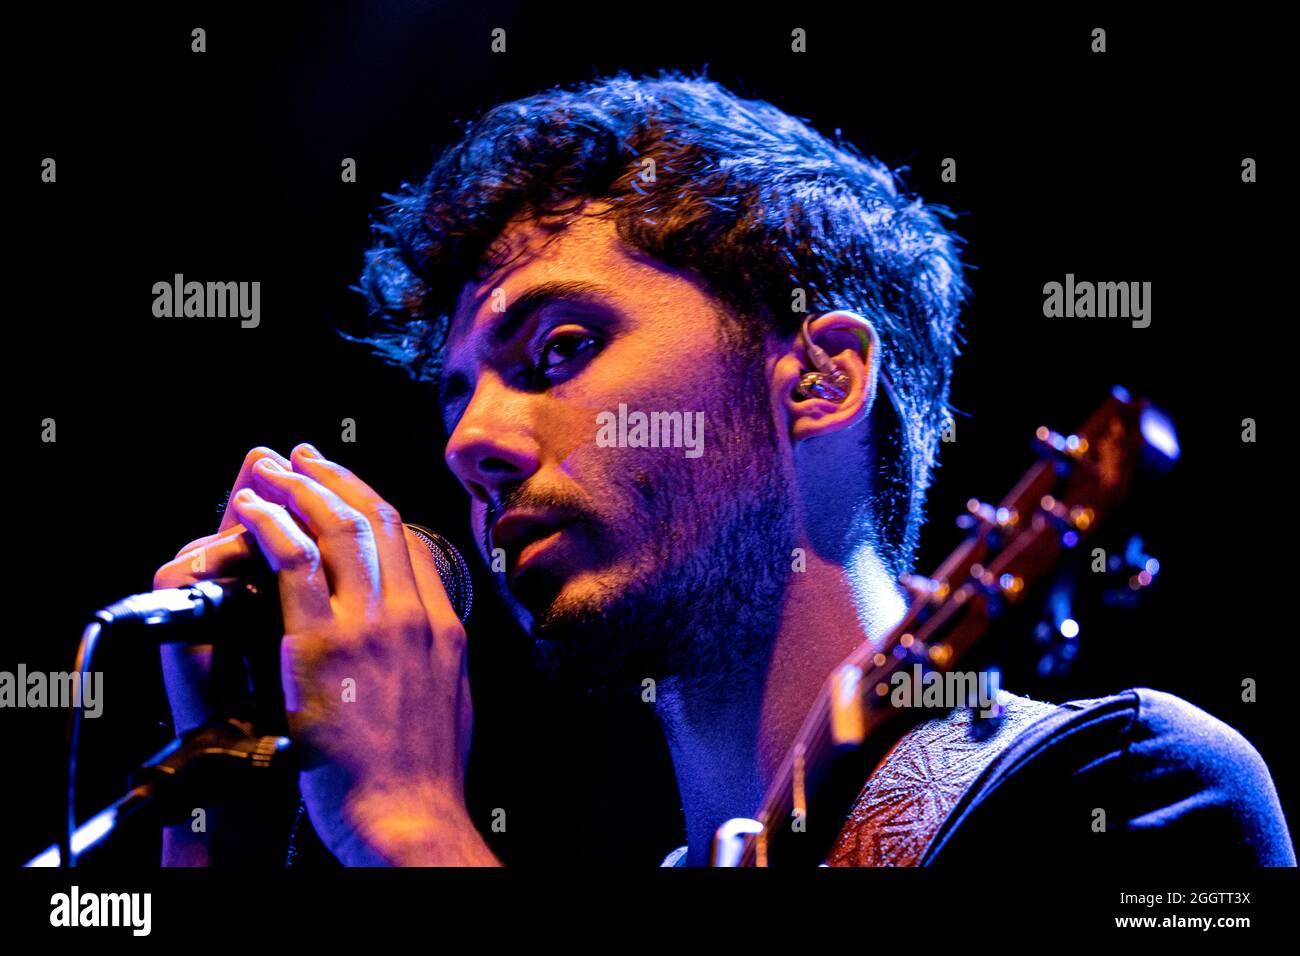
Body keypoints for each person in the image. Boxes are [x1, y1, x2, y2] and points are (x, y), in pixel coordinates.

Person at [154, 71, 1294, 867]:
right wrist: (214, 810)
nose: (470, 443)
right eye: (455, 394)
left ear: (818, 378)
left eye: (560, 350)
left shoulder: (1127, 785)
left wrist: (411, 826)